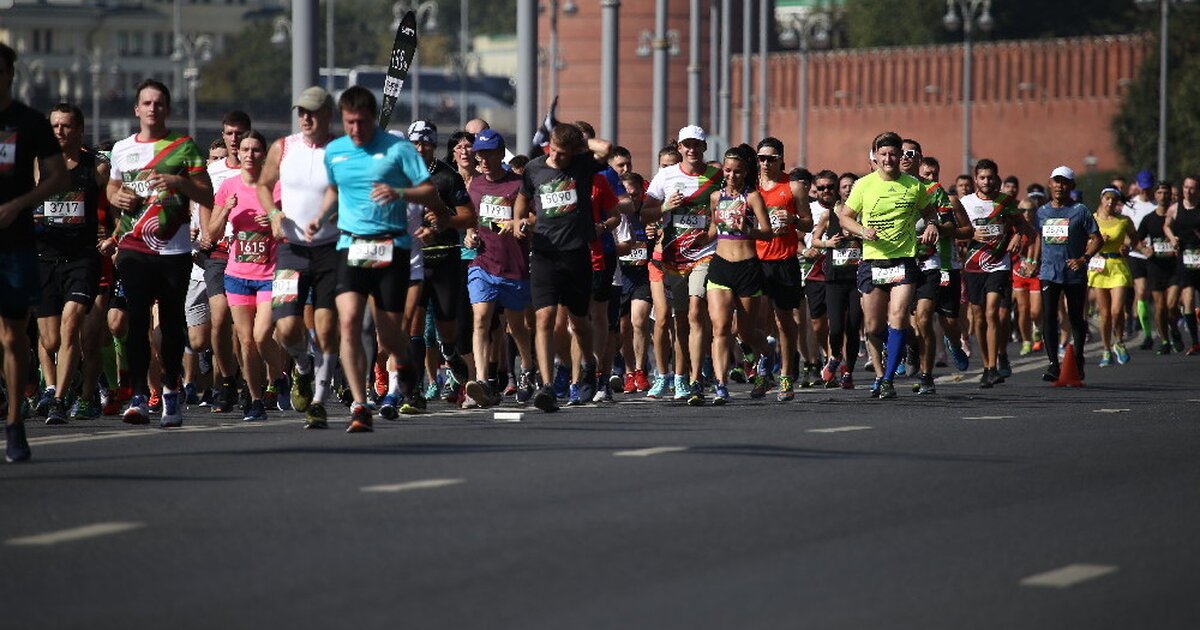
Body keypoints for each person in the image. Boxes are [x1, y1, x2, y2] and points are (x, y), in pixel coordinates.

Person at [307, 86, 441, 432]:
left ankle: (405, 362)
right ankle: (360, 405)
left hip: (391, 247)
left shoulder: (397, 149)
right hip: (351, 246)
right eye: (349, 122)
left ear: (372, 118)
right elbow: (334, 190)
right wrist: (321, 217)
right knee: (349, 322)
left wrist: (399, 191)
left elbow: (428, 191)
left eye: (362, 122)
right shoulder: (335, 151)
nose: (355, 130)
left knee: (387, 334)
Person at [107, 79, 212, 427]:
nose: (153, 108)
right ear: (137, 109)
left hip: (174, 250)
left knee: (169, 324)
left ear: (167, 108)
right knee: (136, 320)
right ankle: (138, 395)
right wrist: (114, 196)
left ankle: (170, 392)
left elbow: (207, 195)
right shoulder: (122, 148)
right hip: (134, 249)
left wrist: (179, 183)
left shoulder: (184, 147)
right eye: (146, 103)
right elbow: (113, 183)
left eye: (159, 103)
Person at [255, 86, 341, 428]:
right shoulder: (283, 147)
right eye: (301, 112)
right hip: (291, 250)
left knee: (326, 324)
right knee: (287, 326)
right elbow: (262, 185)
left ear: (327, 115)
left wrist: (337, 214)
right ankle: (303, 367)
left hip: (330, 249)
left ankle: (319, 400)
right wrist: (275, 215)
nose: (306, 118)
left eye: (313, 112)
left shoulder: (339, 151)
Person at [0, 42, 70, 461]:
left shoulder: (29, 122)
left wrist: (19, 203)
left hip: (15, 242)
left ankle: (14, 420)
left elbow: (58, 176)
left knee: (12, 336)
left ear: (11, 74)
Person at [515, 123, 614, 412]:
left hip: (575, 255)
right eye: (554, 151)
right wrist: (518, 220)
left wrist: (581, 143)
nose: (557, 158)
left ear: (574, 152)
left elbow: (606, 148)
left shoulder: (582, 166)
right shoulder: (534, 168)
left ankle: (588, 364)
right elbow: (523, 196)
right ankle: (546, 386)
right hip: (545, 253)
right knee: (544, 319)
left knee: (579, 324)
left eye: (563, 154)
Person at [836, 131, 940, 400]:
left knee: (899, 316)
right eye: (883, 154)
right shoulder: (863, 185)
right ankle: (887, 363)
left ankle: (888, 379)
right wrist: (861, 230)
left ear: (900, 156)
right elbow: (845, 217)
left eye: (894, 154)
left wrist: (931, 225)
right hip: (873, 261)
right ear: (876, 157)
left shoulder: (913, 185)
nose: (889, 159)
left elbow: (930, 211)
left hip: (903, 261)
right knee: (872, 326)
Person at [34, 103, 109, 423]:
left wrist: (114, 235)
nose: (59, 132)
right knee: (50, 340)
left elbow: (118, 206)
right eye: (54, 126)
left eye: (66, 126)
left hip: (81, 259)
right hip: (44, 259)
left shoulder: (96, 167)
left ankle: (59, 401)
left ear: (79, 130)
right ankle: (69, 380)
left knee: (71, 325)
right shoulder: (37, 165)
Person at [642, 126, 721, 401]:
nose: (692, 150)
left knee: (695, 313)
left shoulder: (716, 175)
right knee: (668, 319)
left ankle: (690, 378)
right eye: (687, 145)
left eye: (696, 145)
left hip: (703, 254)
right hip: (670, 258)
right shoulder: (666, 175)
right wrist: (665, 208)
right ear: (680, 148)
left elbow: (725, 211)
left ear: (704, 148)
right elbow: (644, 213)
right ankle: (664, 376)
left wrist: (709, 234)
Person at [209, 130, 282, 422]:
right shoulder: (228, 186)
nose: (249, 154)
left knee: (262, 335)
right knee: (245, 339)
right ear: (237, 153)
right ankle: (254, 400)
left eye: (255, 150)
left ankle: (279, 377)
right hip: (237, 273)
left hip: (269, 274)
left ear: (264, 154)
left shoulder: (276, 186)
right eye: (245, 149)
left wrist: (275, 218)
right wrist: (225, 211)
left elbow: (291, 230)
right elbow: (211, 234)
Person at [699, 144, 778, 405]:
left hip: (747, 268)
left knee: (745, 331)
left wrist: (748, 228)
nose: (732, 176)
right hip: (721, 265)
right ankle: (720, 385)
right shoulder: (715, 197)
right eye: (728, 171)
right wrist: (701, 238)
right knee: (721, 328)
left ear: (746, 173)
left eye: (737, 172)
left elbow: (767, 232)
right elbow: (714, 228)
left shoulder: (753, 197)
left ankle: (766, 353)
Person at [462, 129, 536, 407]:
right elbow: (471, 218)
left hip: (514, 265)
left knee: (516, 326)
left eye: (488, 153)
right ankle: (483, 380)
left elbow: (534, 217)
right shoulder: (476, 185)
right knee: (481, 318)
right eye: (479, 154)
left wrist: (520, 224)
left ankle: (527, 368)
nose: (482, 159)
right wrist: (470, 233)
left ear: (499, 153)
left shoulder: (518, 184)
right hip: (482, 262)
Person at [959, 159, 1034, 387]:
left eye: (990, 177)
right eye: (982, 178)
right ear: (975, 180)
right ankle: (986, 365)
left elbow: (1024, 228)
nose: (986, 181)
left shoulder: (1005, 202)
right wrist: (971, 235)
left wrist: (1017, 237)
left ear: (996, 178)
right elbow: (955, 232)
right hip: (973, 265)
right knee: (979, 316)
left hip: (999, 263)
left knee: (992, 312)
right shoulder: (965, 203)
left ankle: (993, 367)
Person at [197, 110, 251, 413]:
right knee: (219, 318)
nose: (234, 140)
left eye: (240, 134)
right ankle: (227, 381)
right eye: (229, 134)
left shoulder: (260, 170)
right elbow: (202, 203)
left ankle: (247, 380)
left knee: (245, 328)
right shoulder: (213, 171)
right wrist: (205, 232)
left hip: (250, 254)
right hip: (217, 254)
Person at [1030, 166, 1101, 381]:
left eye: (1064, 182)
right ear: (1050, 184)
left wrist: (1083, 259)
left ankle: (1078, 359)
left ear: (1071, 186)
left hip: (1074, 273)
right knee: (1049, 317)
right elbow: (1038, 237)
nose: (1059, 186)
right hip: (1049, 272)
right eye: (1056, 181)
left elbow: (1097, 238)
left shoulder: (1080, 211)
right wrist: (1033, 261)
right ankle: (1053, 364)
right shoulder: (1042, 212)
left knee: (1075, 318)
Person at [754, 138, 812, 401]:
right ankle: (763, 367)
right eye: (761, 158)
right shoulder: (750, 187)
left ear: (781, 160)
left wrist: (793, 220)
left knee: (784, 321)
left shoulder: (794, 186)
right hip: (755, 261)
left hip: (784, 260)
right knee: (756, 321)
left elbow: (808, 224)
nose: (766, 163)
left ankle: (786, 375)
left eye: (771, 158)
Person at [1088, 187, 1137, 367]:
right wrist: (1097, 241)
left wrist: (1127, 248)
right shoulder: (1092, 219)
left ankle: (1120, 341)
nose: (1110, 202)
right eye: (1107, 198)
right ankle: (1106, 349)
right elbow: (1084, 243)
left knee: (1117, 310)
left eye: (1114, 200)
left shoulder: (1124, 220)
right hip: (1099, 267)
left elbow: (1134, 239)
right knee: (1105, 314)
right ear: (1101, 199)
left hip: (1118, 266)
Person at [1135, 181, 1182, 353]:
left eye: (1166, 193)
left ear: (1171, 195)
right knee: (1160, 307)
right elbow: (1136, 239)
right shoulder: (1149, 219)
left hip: (1175, 267)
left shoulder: (1177, 217)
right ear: (1155, 196)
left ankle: (1175, 330)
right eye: (1160, 193)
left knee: (1171, 306)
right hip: (1156, 267)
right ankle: (1164, 341)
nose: (1163, 196)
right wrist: (1143, 249)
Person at [1124, 170, 1160, 350]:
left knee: (1154, 295)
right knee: (1141, 290)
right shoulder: (1129, 206)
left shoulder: (1157, 206)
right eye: (1142, 188)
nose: (1145, 191)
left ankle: (1153, 323)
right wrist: (1137, 246)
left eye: (1148, 188)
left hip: (1155, 256)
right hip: (1136, 255)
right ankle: (1141, 327)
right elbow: (1124, 232)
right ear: (1137, 186)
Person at [1164, 175, 1200, 355]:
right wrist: (1172, 238)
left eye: (1192, 188)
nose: (1188, 191)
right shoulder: (1175, 208)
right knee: (1188, 298)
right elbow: (1166, 226)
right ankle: (1195, 342)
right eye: (1186, 187)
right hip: (1185, 259)